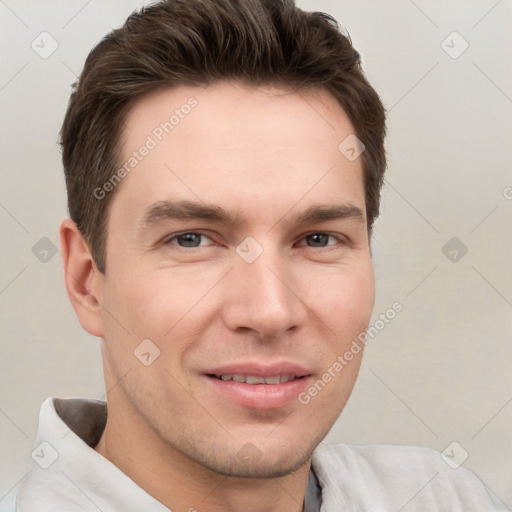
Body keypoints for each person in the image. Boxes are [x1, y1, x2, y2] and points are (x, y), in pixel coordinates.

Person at [15, 0, 506, 510]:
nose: (271, 311)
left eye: (317, 239)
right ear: (86, 280)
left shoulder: (446, 497)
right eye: (192, 239)